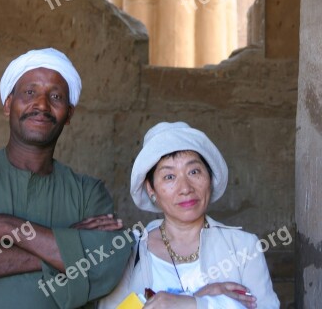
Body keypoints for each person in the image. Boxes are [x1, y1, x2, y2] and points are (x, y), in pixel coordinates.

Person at [0, 48, 131, 309]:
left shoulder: (88, 192)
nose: (42, 104)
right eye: (30, 93)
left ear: (69, 115)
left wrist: (5, 226)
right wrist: (69, 246)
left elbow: (106, 262)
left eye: (55, 96)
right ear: (9, 105)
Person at [98, 122, 280, 309]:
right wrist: (197, 298)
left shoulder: (244, 247)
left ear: (210, 178)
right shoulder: (129, 252)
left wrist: (191, 303)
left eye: (194, 172)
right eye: (169, 176)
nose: (185, 188)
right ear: (151, 189)